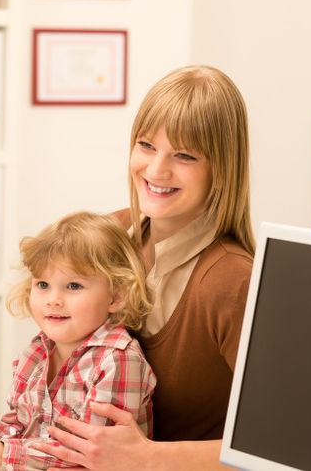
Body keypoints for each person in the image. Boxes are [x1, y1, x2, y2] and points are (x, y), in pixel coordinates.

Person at [31, 66, 256, 470]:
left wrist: (150, 457)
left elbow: (276, 444)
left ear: (222, 168)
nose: (156, 170)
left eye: (184, 155)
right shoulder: (108, 236)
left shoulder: (232, 281)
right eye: (147, 145)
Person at [0, 212, 157, 470]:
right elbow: (17, 425)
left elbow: (90, 454)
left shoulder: (117, 359)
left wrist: (2, 454)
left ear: (116, 296)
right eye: (42, 284)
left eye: (73, 286)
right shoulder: (37, 352)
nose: (53, 299)